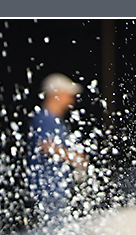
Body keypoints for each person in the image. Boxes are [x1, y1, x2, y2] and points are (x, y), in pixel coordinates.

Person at [27, 73, 88, 224]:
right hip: (48, 189)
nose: (72, 99)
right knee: (53, 228)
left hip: (55, 189)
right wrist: (74, 158)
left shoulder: (53, 119)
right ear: (56, 94)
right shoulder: (45, 118)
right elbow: (47, 146)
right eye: (68, 94)